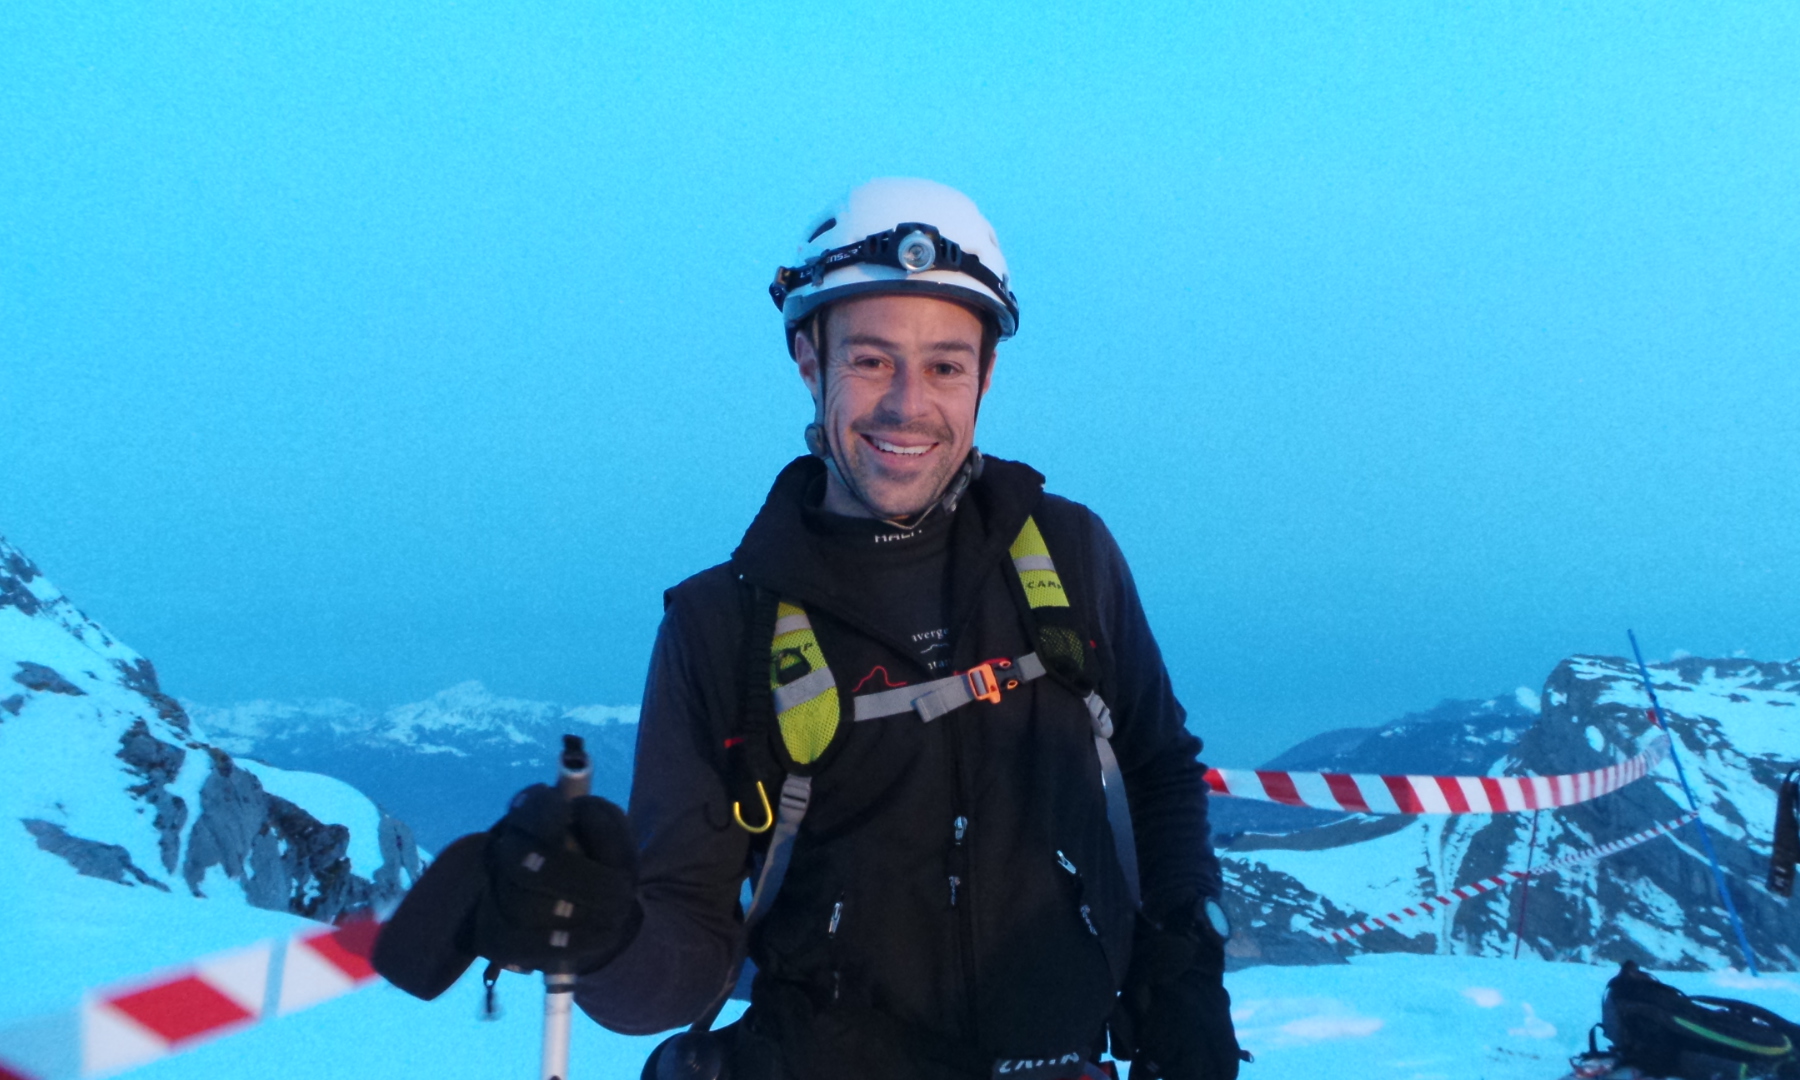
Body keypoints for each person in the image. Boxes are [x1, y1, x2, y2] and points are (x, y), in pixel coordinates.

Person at [375, 178, 1243, 1080]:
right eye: (871, 360)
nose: (907, 404)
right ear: (807, 358)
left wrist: (1184, 972)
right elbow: (676, 967)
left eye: (945, 366)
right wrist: (603, 935)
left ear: (986, 375)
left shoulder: (1068, 556)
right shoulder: (723, 628)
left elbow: (1156, 767)